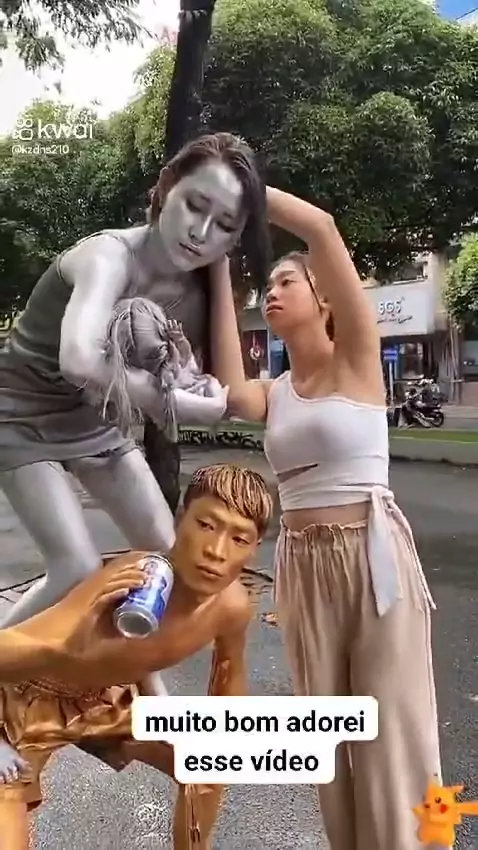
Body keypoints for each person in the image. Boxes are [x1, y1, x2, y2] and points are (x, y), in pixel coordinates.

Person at [210, 189, 441, 850]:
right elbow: (231, 391)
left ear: (325, 300)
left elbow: (320, 227)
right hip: (304, 567)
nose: (272, 293)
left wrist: (236, 189)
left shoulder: (358, 358)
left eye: (287, 282)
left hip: (372, 556)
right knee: (332, 737)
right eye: (268, 287)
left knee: (392, 730)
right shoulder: (274, 393)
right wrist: (217, 261)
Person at [0, 131, 269, 630]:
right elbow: (79, 360)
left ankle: (134, 677)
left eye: (225, 224)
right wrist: (170, 402)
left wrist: (199, 389)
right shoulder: (108, 256)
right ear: (166, 187)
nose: (200, 232)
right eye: (195, 205)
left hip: (95, 422)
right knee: (76, 569)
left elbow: (185, 374)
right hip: (19, 414)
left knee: (168, 560)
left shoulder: (196, 292)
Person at [0, 463, 272, 850]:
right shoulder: (137, 577)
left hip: (106, 699)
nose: (216, 551)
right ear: (180, 519)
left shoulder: (232, 607)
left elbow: (228, 683)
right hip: (24, 702)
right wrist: (68, 646)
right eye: (206, 525)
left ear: (254, 549)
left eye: (239, 538)